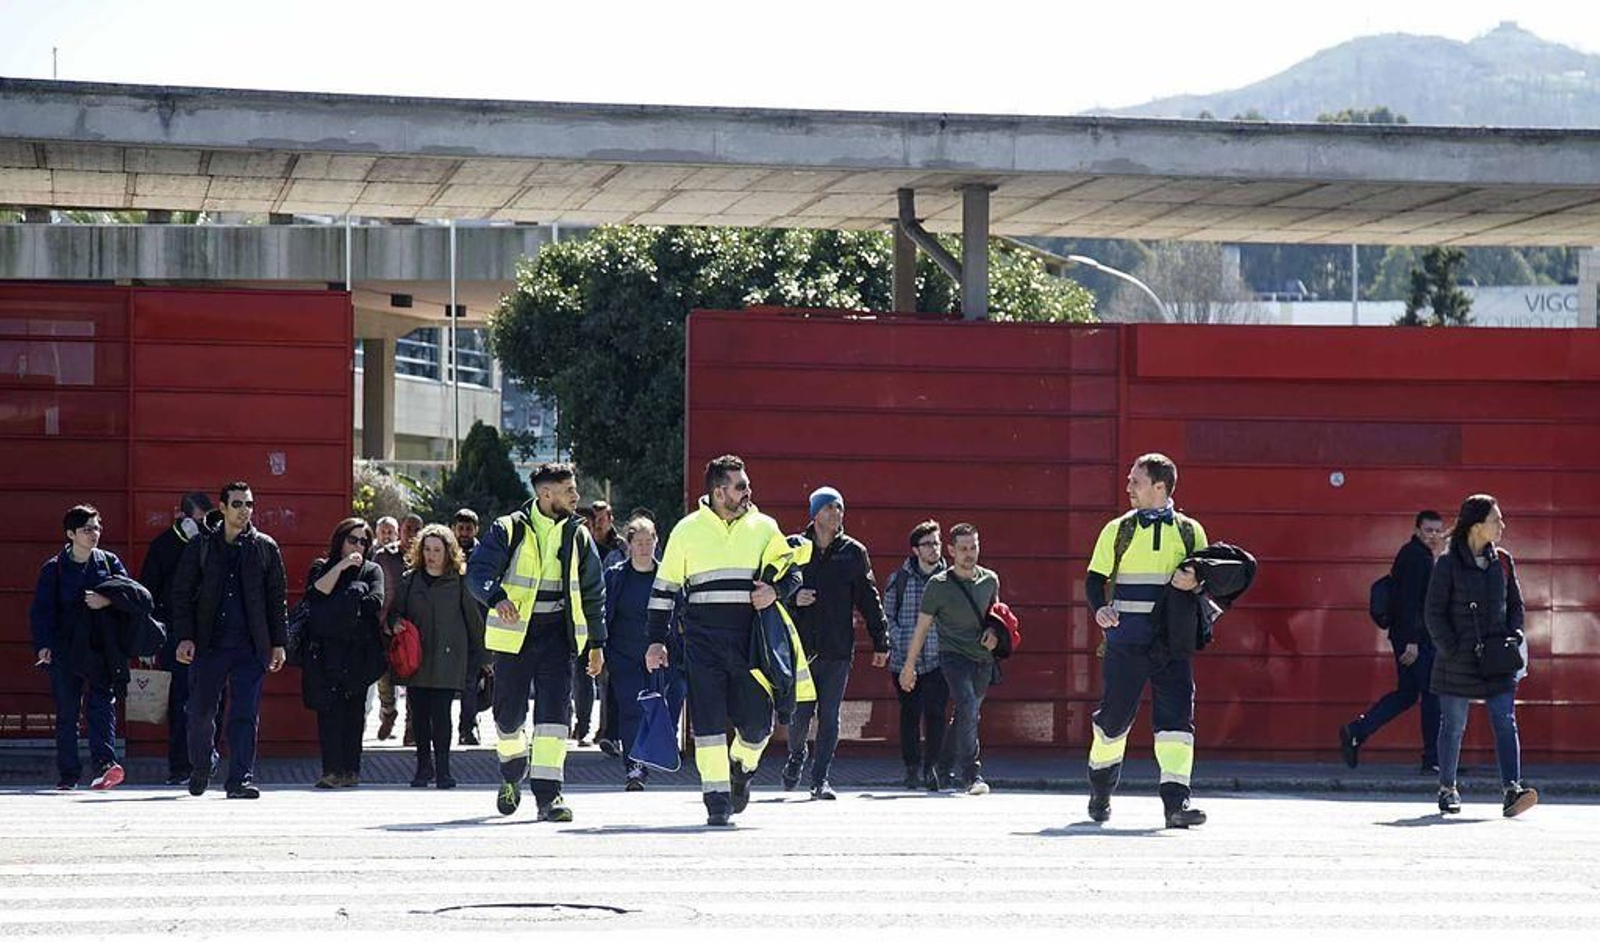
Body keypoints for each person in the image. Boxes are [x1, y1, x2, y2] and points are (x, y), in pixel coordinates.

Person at [647, 455, 800, 826]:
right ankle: (716, 798)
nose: (749, 491)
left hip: (750, 641)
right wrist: (655, 641)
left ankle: (741, 769)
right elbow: (664, 590)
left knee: (758, 727)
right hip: (701, 639)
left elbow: (792, 572)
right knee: (709, 723)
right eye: (740, 486)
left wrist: (775, 591)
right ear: (719, 492)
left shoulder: (765, 527)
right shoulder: (686, 530)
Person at [468, 463, 607, 821]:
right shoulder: (508, 528)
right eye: (569, 491)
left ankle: (550, 796)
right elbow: (478, 573)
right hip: (516, 637)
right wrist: (496, 597)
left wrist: (597, 643)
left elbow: (593, 592)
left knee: (555, 717)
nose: (577, 497)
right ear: (546, 494)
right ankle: (512, 774)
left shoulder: (578, 534)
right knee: (508, 717)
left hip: (558, 635)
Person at [1084, 453, 1209, 829]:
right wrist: (1099, 610)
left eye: (1135, 482)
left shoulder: (1190, 531)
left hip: (1173, 645)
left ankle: (1177, 804)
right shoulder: (1117, 530)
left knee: (1176, 725)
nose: (1128, 488)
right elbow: (1094, 578)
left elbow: (1205, 579)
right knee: (1113, 722)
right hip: (1126, 643)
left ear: (1160, 487)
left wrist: (1197, 582)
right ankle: (1101, 790)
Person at [171, 481, 289, 799]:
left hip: (251, 646)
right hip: (209, 644)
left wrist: (279, 643)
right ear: (222, 508)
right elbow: (180, 594)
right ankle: (201, 765)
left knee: (245, 714)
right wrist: (184, 637)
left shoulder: (265, 547)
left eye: (249, 504)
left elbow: (277, 599)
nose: (244, 510)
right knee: (200, 712)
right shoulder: (201, 546)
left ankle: (239, 780)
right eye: (237, 504)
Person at [1426, 494, 1537, 817]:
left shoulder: (1502, 560)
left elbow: (1516, 604)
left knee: (1505, 720)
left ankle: (1511, 791)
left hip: (1497, 657)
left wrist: (1514, 635)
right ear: (1477, 526)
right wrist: (1451, 648)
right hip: (1457, 659)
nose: (1502, 525)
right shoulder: (1447, 564)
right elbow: (1433, 613)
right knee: (1453, 725)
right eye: (1496, 520)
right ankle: (1448, 789)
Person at [783, 486, 890, 800]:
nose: (836, 514)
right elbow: (772, 588)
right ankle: (796, 755)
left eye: (840, 508)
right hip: (801, 647)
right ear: (815, 514)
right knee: (800, 714)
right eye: (829, 508)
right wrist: (793, 597)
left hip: (838, 647)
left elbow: (869, 599)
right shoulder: (794, 548)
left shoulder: (853, 552)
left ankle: (820, 780)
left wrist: (881, 641)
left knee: (830, 714)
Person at [29, 505, 131, 790]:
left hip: (101, 649)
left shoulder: (109, 562)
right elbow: (42, 611)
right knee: (68, 712)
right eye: (87, 529)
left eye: (97, 527)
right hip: (65, 649)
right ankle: (69, 775)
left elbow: (132, 596)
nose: (94, 534)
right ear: (71, 534)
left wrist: (107, 601)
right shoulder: (54, 569)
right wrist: (43, 645)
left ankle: (105, 766)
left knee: (102, 707)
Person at [1340, 510, 1447, 773]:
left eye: (1437, 530)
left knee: (1408, 694)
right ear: (1418, 529)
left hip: (1408, 636)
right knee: (1432, 694)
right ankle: (1433, 758)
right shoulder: (1415, 557)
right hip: (1414, 639)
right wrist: (1412, 641)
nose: (1433, 535)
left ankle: (1356, 731)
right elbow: (1410, 601)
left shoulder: (1418, 554)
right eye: (1428, 530)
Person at [898, 523, 998, 796]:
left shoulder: (990, 580)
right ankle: (971, 775)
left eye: (974, 547)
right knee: (966, 704)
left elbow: (995, 617)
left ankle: (942, 767)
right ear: (951, 550)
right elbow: (921, 628)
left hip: (983, 659)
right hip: (952, 656)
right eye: (963, 548)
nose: (969, 553)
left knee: (968, 713)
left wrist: (993, 632)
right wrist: (909, 667)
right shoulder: (938, 585)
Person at [139, 491, 226, 786]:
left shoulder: (217, 543)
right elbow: (148, 592)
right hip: (175, 633)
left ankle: (207, 757)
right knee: (179, 701)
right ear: (183, 517)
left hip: (213, 632)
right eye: (197, 521)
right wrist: (149, 640)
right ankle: (180, 766)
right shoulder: (165, 546)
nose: (203, 527)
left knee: (214, 699)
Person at [391, 524, 485, 789]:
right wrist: (395, 622)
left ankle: (443, 770)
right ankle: (423, 769)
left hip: (448, 658)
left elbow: (474, 621)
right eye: (428, 549)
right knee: (419, 716)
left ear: (448, 552)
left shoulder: (460, 581)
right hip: (417, 658)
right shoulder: (410, 580)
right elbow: (395, 612)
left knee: (442, 716)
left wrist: (486, 658)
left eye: (437, 550)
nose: (432, 555)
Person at [302, 518, 386, 789]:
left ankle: (350, 769)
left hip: (358, 651)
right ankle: (330, 770)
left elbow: (375, 601)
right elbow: (316, 593)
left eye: (364, 541)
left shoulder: (372, 570)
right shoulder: (322, 566)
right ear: (340, 540)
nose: (358, 546)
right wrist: (342, 568)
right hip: (326, 651)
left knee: (353, 711)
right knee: (328, 711)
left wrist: (349, 596)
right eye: (353, 539)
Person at [604, 514, 685, 790]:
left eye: (649, 541)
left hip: (661, 656)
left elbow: (682, 613)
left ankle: (652, 753)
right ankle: (634, 767)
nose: (644, 547)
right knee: (631, 709)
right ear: (628, 544)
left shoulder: (668, 577)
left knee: (659, 708)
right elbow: (604, 614)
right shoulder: (615, 577)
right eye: (638, 542)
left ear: (656, 542)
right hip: (623, 655)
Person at [884, 520, 949, 790]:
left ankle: (931, 768)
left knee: (936, 713)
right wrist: (904, 642)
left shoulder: (951, 579)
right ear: (915, 550)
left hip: (939, 660)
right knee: (910, 713)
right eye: (927, 544)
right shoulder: (899, 580)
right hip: (903, 660)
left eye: (937, 543)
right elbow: (887, 617)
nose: (934, 549)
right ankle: (911, 768)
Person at [374, 512, 423, 743]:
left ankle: (412, 727)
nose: (412, 535)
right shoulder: (383, 556)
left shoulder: (426, 555)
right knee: (384, 674)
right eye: (408, 529)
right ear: (400, 530)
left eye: (416, 530)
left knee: (414, 674)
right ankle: (388, 711)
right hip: (385, 623)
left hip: (414, 624)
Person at [451, 508, 485, 745]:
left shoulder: (484, 555)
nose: (464, 533)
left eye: (468, 528)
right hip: (449, 624)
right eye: (460, 528)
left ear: (476, 529)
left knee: (470, 681)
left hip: (475, 625)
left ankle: (468, 727)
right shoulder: (447, 552)